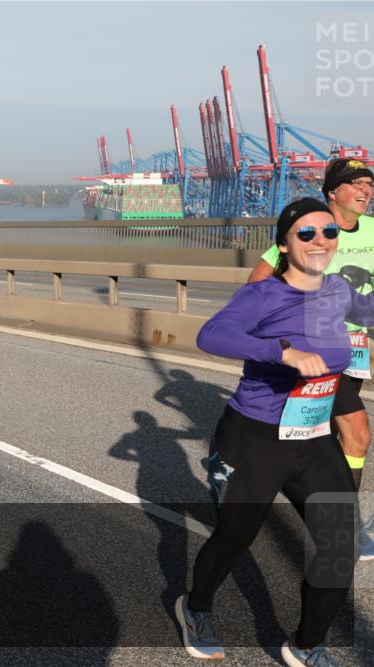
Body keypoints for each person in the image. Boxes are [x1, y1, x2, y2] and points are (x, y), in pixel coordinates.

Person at [178, 198, 368, 667]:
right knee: (234, 538)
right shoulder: (263, 295)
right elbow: (211, 335)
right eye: (306, 233)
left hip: (314, 437)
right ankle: (195, 608)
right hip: (256, 437)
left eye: (328, 232)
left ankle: (306, 644)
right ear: (284, 244)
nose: (320, 241)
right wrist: (282, 353)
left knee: (340, 544)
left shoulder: (338, 289)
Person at [247, 158, 374, 560]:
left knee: (325, 439)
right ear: (332, 192)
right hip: (316, 350)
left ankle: (239, 461)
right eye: (356, 183)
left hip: (355, 353)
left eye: (369, 184)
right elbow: (257, 282)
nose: (366, 190)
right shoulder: (311, 228)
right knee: (356, 432)